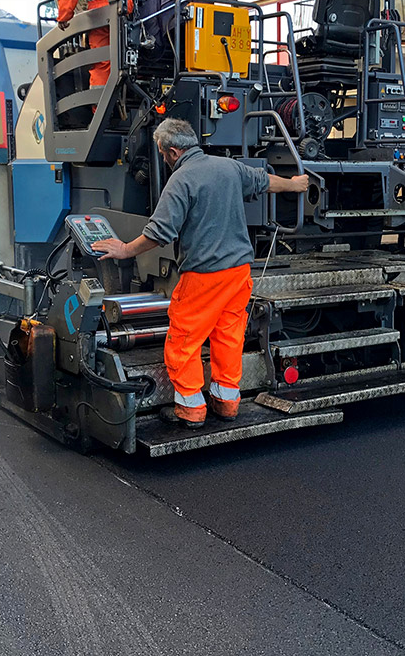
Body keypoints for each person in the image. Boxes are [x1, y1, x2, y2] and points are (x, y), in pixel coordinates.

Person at [91, 118, 309, 428]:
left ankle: (191, 409)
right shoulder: (229, 167)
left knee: (183, 341)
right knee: (228, 337)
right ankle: (226, 403)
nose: (164, 159)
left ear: (173, 151)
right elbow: (264, 181)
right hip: (239, 273)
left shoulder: (181, 179)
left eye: (163, 153)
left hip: (204, 276)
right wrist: (295, 184)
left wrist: (125, 249)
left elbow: (159, 232)